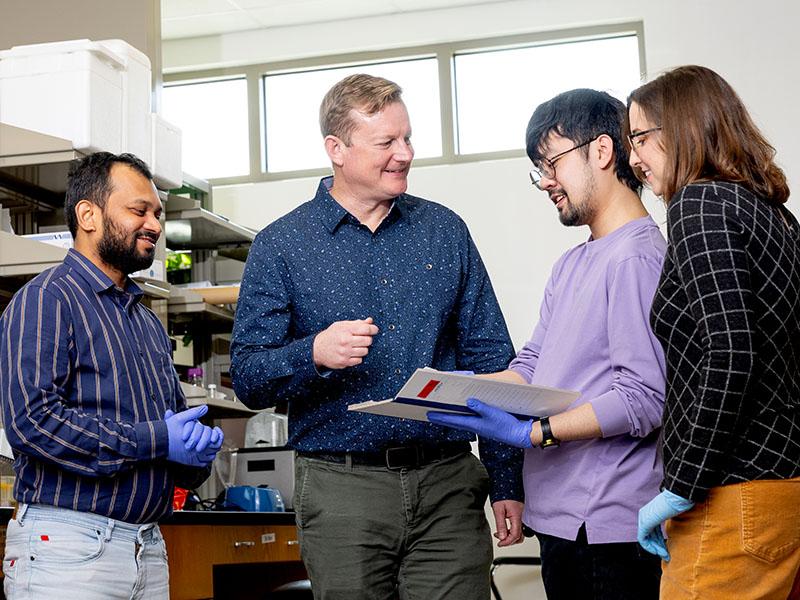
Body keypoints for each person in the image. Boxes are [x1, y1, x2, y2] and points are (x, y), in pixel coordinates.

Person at [230, 73, 522, 600]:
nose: (405, 154)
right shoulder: (281, 246)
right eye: (386, 142)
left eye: (407, 138)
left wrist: (507, 479)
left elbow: (492, 359)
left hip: (448, 486)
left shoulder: (444, 231)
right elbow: (249, 376)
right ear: (336, 149)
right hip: (342, 491)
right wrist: (313, 353)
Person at [428, 88, 667, 600]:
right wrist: (462, 390)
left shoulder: (635, 259)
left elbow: (643, 398)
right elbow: (534, 363)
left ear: (602, 152)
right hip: (561, 521)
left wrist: (535, 435)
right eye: (539, 168)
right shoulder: (575, 262)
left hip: (608, 527)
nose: (545, 182)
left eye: (551, 163)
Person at [0, 152, 224, 600]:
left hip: (147, 545)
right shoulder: (45, 300)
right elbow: (33, 423)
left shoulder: (145, 323)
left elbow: (167, 431)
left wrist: (194, 458)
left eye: (157, 214)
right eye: (138, 210)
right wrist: (157, 440)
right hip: (68, 548)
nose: (155, 226)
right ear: (88, 214)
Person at [627, 65, 800, 599]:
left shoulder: (699, 204)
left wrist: (681, 487)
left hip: (731, 494)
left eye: (640, 137)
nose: (634, 158)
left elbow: (729, 354)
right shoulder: (771, 212)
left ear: (683, 129)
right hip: (780, 487)